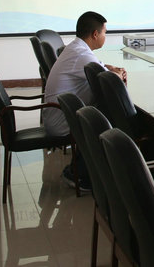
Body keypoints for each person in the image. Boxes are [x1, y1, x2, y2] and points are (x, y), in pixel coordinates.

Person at [43, 11, 127, 189]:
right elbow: (108, 80)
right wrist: (118, 74)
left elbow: (99, 67)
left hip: (61, 112)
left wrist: (111, 68)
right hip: (62, 120)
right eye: (105, 33)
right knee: (110, 115)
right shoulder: (81, 55)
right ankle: (81, 174)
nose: (105, 36)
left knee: (105, 110)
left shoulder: (77, 48)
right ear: (95, 34)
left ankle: (85, 169)